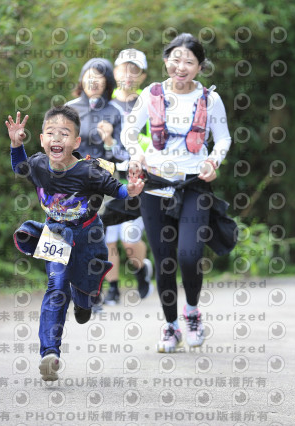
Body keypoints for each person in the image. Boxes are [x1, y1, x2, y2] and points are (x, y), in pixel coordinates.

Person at [5, 107, 144, 380]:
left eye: (64, 134)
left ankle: (85, 301)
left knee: (85, 291)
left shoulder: (89, 171)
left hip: (88, 234)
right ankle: (49, 353)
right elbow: (19, 166)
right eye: (51, 133)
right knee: (56, 287)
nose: (57, 138)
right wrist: (16, 144)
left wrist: (131, 190)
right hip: (56, 233)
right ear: (42, 140)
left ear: (76, 142)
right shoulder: (38, 164)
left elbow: (117, 189)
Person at [122, 34, 232, 353]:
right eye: (175, 59)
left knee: (189, 255)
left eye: (189, 62)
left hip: (194, 184)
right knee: (164, 260)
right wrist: (136, 154)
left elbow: (223, 139)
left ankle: (192, 312)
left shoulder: (210, 99)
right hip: (155, 185)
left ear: (200, 67)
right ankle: (171, 327)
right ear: (165, 60)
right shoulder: (151, 94)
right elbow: (130, 131)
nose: (181, 67)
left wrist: (213, 160)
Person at [65, 57, 128, 312]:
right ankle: (68, 289)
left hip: (101, 184)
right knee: (69, 238)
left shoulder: (115, 111)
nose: (93, 81)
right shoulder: (69, 110)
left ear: (107, 83)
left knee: (95, 238)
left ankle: (93, 294)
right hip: (70, 184)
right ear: (82, 79)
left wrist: (110, 140)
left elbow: (124, 155)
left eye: (99, 77)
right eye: (89, 75)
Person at [103, 48, 154, 306]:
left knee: (130, 236)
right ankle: (113, 288)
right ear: (115, 72)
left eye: (134, 70)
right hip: (108, 177)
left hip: (139, 176)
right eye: (124, 68)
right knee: (108, 237)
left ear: (142, 76)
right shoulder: (104, 104)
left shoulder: (150, 103)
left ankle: (141, 270)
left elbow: (155, 139)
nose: (128, 74)